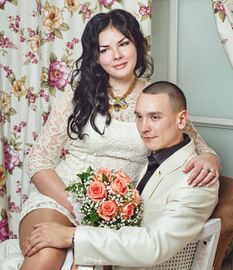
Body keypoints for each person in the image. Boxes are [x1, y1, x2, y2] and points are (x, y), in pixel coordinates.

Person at [0, 10, 220, 270]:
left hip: (114, 216)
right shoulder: (78, 95)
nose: (116, 55)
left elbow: (194, 142)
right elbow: (38, 159)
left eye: (124, 44)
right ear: (96, 56)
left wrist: (210, 157)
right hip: (58, 200)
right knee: (47, 252)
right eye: (105, 49)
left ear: (137, 43)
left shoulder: (153, 98)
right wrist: (78, 206)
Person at [19, 81, 219, 269]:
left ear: (182, 119)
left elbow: (153, 245)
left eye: (155, 117)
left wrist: (72, 237)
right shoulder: (150, 161)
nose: (144, 128)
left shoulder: (196, 179)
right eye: (139, 117)